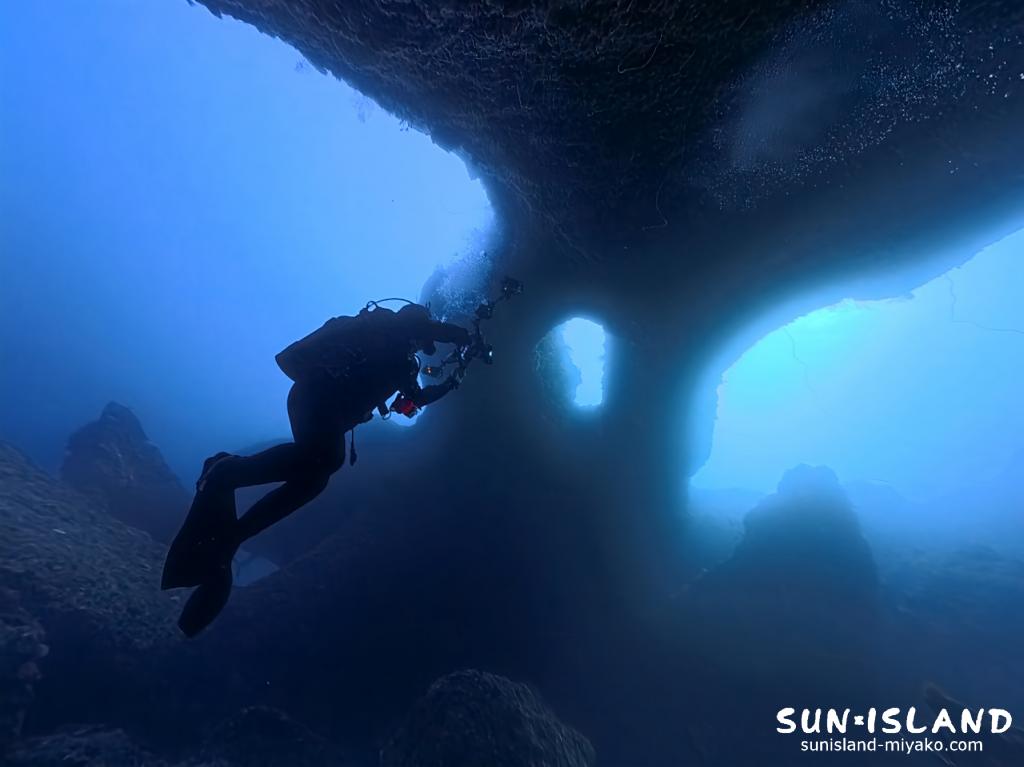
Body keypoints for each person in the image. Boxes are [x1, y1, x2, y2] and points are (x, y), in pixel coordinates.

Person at [161, 301, 470, 636]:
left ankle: (230, 538)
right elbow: (412, 331)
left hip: (326, 410)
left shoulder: (403, 362)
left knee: (315, 478)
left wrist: (448, 385)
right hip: (312, 398)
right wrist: (455, 333)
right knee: (327, 458)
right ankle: (226, 472)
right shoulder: (385, 330)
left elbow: (412, 401)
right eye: (423, 339)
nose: (423, 347)